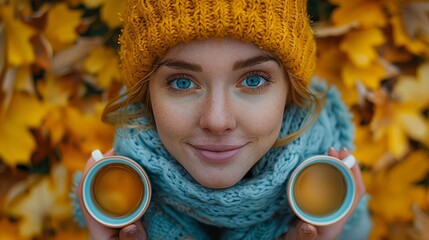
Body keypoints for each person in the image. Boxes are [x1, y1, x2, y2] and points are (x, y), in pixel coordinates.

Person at [72, 0, 372, 239]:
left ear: (290, 92)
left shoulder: (330, 195)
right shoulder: (114, 200)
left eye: (253, 80)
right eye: (182, 82)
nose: (217, 120)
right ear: (146, 95)